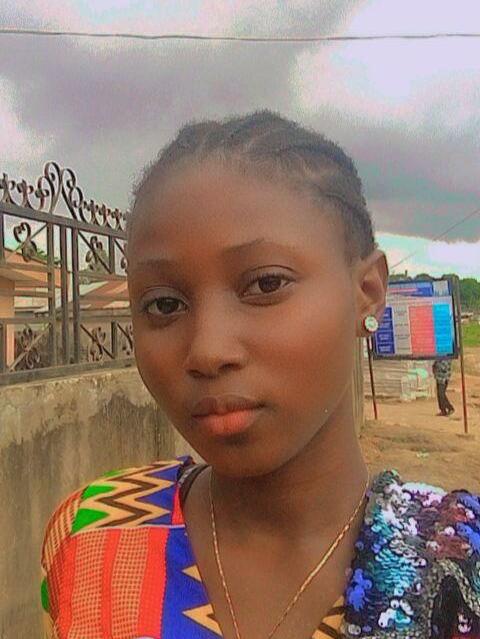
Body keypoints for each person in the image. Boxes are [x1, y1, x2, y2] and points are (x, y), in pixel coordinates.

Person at [41, 111, 480, 639]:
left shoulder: (459, 567)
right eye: (164, 304)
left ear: (367, 292)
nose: (207, 351)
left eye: (266, 284)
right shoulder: (90, 536)